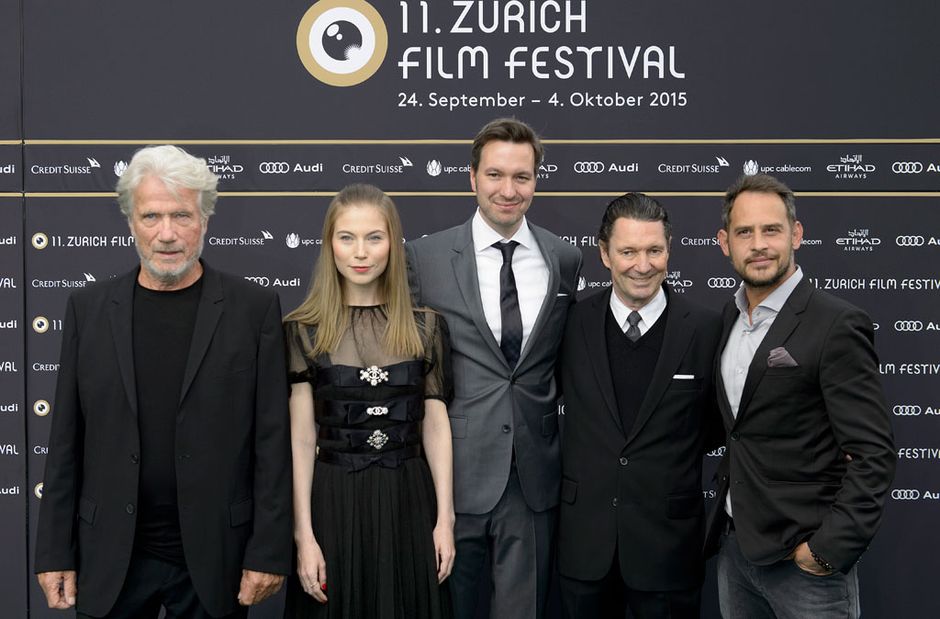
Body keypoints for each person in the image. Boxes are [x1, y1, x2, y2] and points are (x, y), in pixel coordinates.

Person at [34, 145, 292, 618]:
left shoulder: (252, 310)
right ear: (131, 222)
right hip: (111, 556)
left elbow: (272, 443)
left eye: (182, 215)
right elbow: (65, 441)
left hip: (216, 559)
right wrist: (54, 551)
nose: (167, 234)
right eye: (151, 216)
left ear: (206, 221)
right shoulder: (87, 309)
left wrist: (268, 551)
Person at [406, 118, 583, 619]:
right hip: (452, 474)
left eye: (521, 177)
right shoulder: (425, 257)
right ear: (472, 178)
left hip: (533, 474)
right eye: (495, 175)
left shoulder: (564, 259)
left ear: (536, 180)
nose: (508, 190)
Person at [705, 173, 896, 618]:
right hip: (736, 553)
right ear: (723, 242)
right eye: (744, 232)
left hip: (804, 567)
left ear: (796, 234)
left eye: (771, 229)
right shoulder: (728, 321)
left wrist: (825, 552)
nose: (759, 244)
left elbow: (874, 454)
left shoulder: (836, 324)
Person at [282, 184, 455, 619]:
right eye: (347, 237)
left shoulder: (426, 327)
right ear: (330, 245)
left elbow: (435, 425)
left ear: (393, 245)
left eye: (374, 237)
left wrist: (445, 520)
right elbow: (302, 438)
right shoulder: (302, 330)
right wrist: (304, 535)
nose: (361, 252)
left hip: (409, 503)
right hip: (333, 502)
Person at [557, 193, 722, 618]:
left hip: (668, 546)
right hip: (585, 545)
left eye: (654, 250)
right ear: (604, 253)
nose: (642, 265)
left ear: (669, 249)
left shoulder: (705, 329)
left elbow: (717, 427)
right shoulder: (570, 324)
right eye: (628, 251)